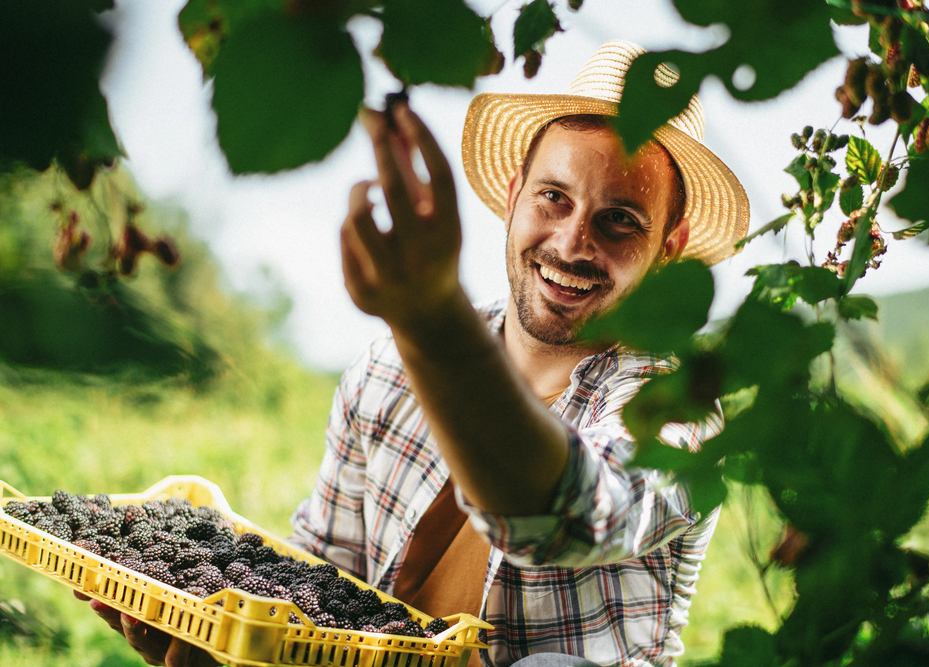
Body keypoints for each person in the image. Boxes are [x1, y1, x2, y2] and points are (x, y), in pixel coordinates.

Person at [81, 40, 749, 667]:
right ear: (514, 196)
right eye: (554, 197)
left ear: (669, 246)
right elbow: (313, 591)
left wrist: (433, 319)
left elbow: (565, 517)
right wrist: (222, 639)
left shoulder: (678, 406)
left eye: (620, 220)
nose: (573, 244)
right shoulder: (384, 372)